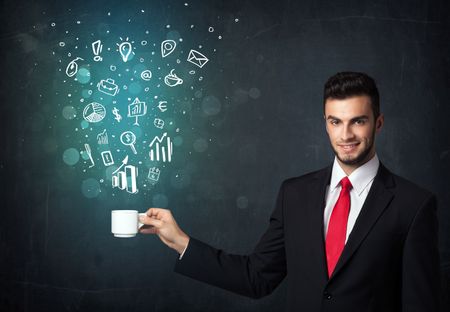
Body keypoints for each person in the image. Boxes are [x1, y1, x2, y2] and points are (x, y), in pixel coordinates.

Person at [139, 72, 440, 311]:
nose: (346, 135)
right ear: (325, 124)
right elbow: (256, 278)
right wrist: (181, 241)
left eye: (357, 122)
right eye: (336, 122)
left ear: (379, 123)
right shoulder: (294, 195)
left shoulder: (413, 204)